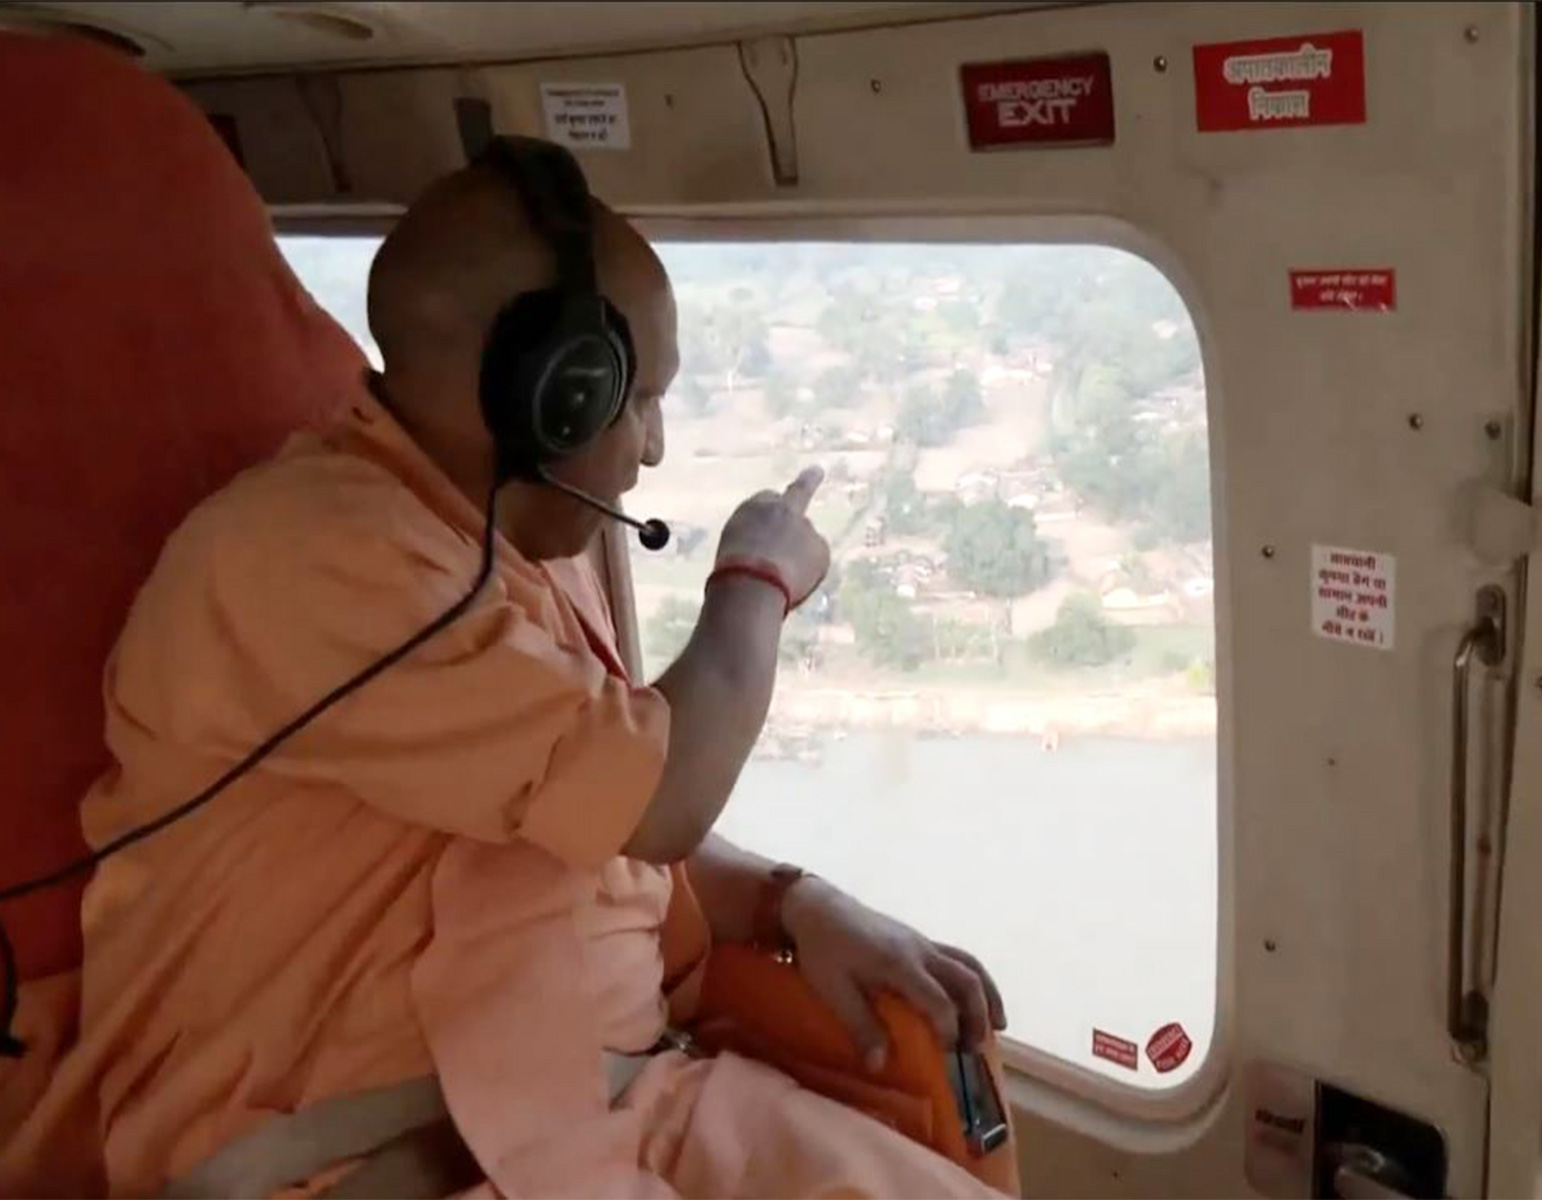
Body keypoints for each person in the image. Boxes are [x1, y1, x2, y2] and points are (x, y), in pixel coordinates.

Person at [14, 144, 1010, 1198]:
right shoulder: (312, 558)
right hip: (357, 1152)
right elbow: (653, 797)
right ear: (553, 395)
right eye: (639, 401)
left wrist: (792, 903)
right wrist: (755, 583)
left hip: (616, 1097)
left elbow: (589, 824)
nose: (656, 447)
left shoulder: (505, 549)